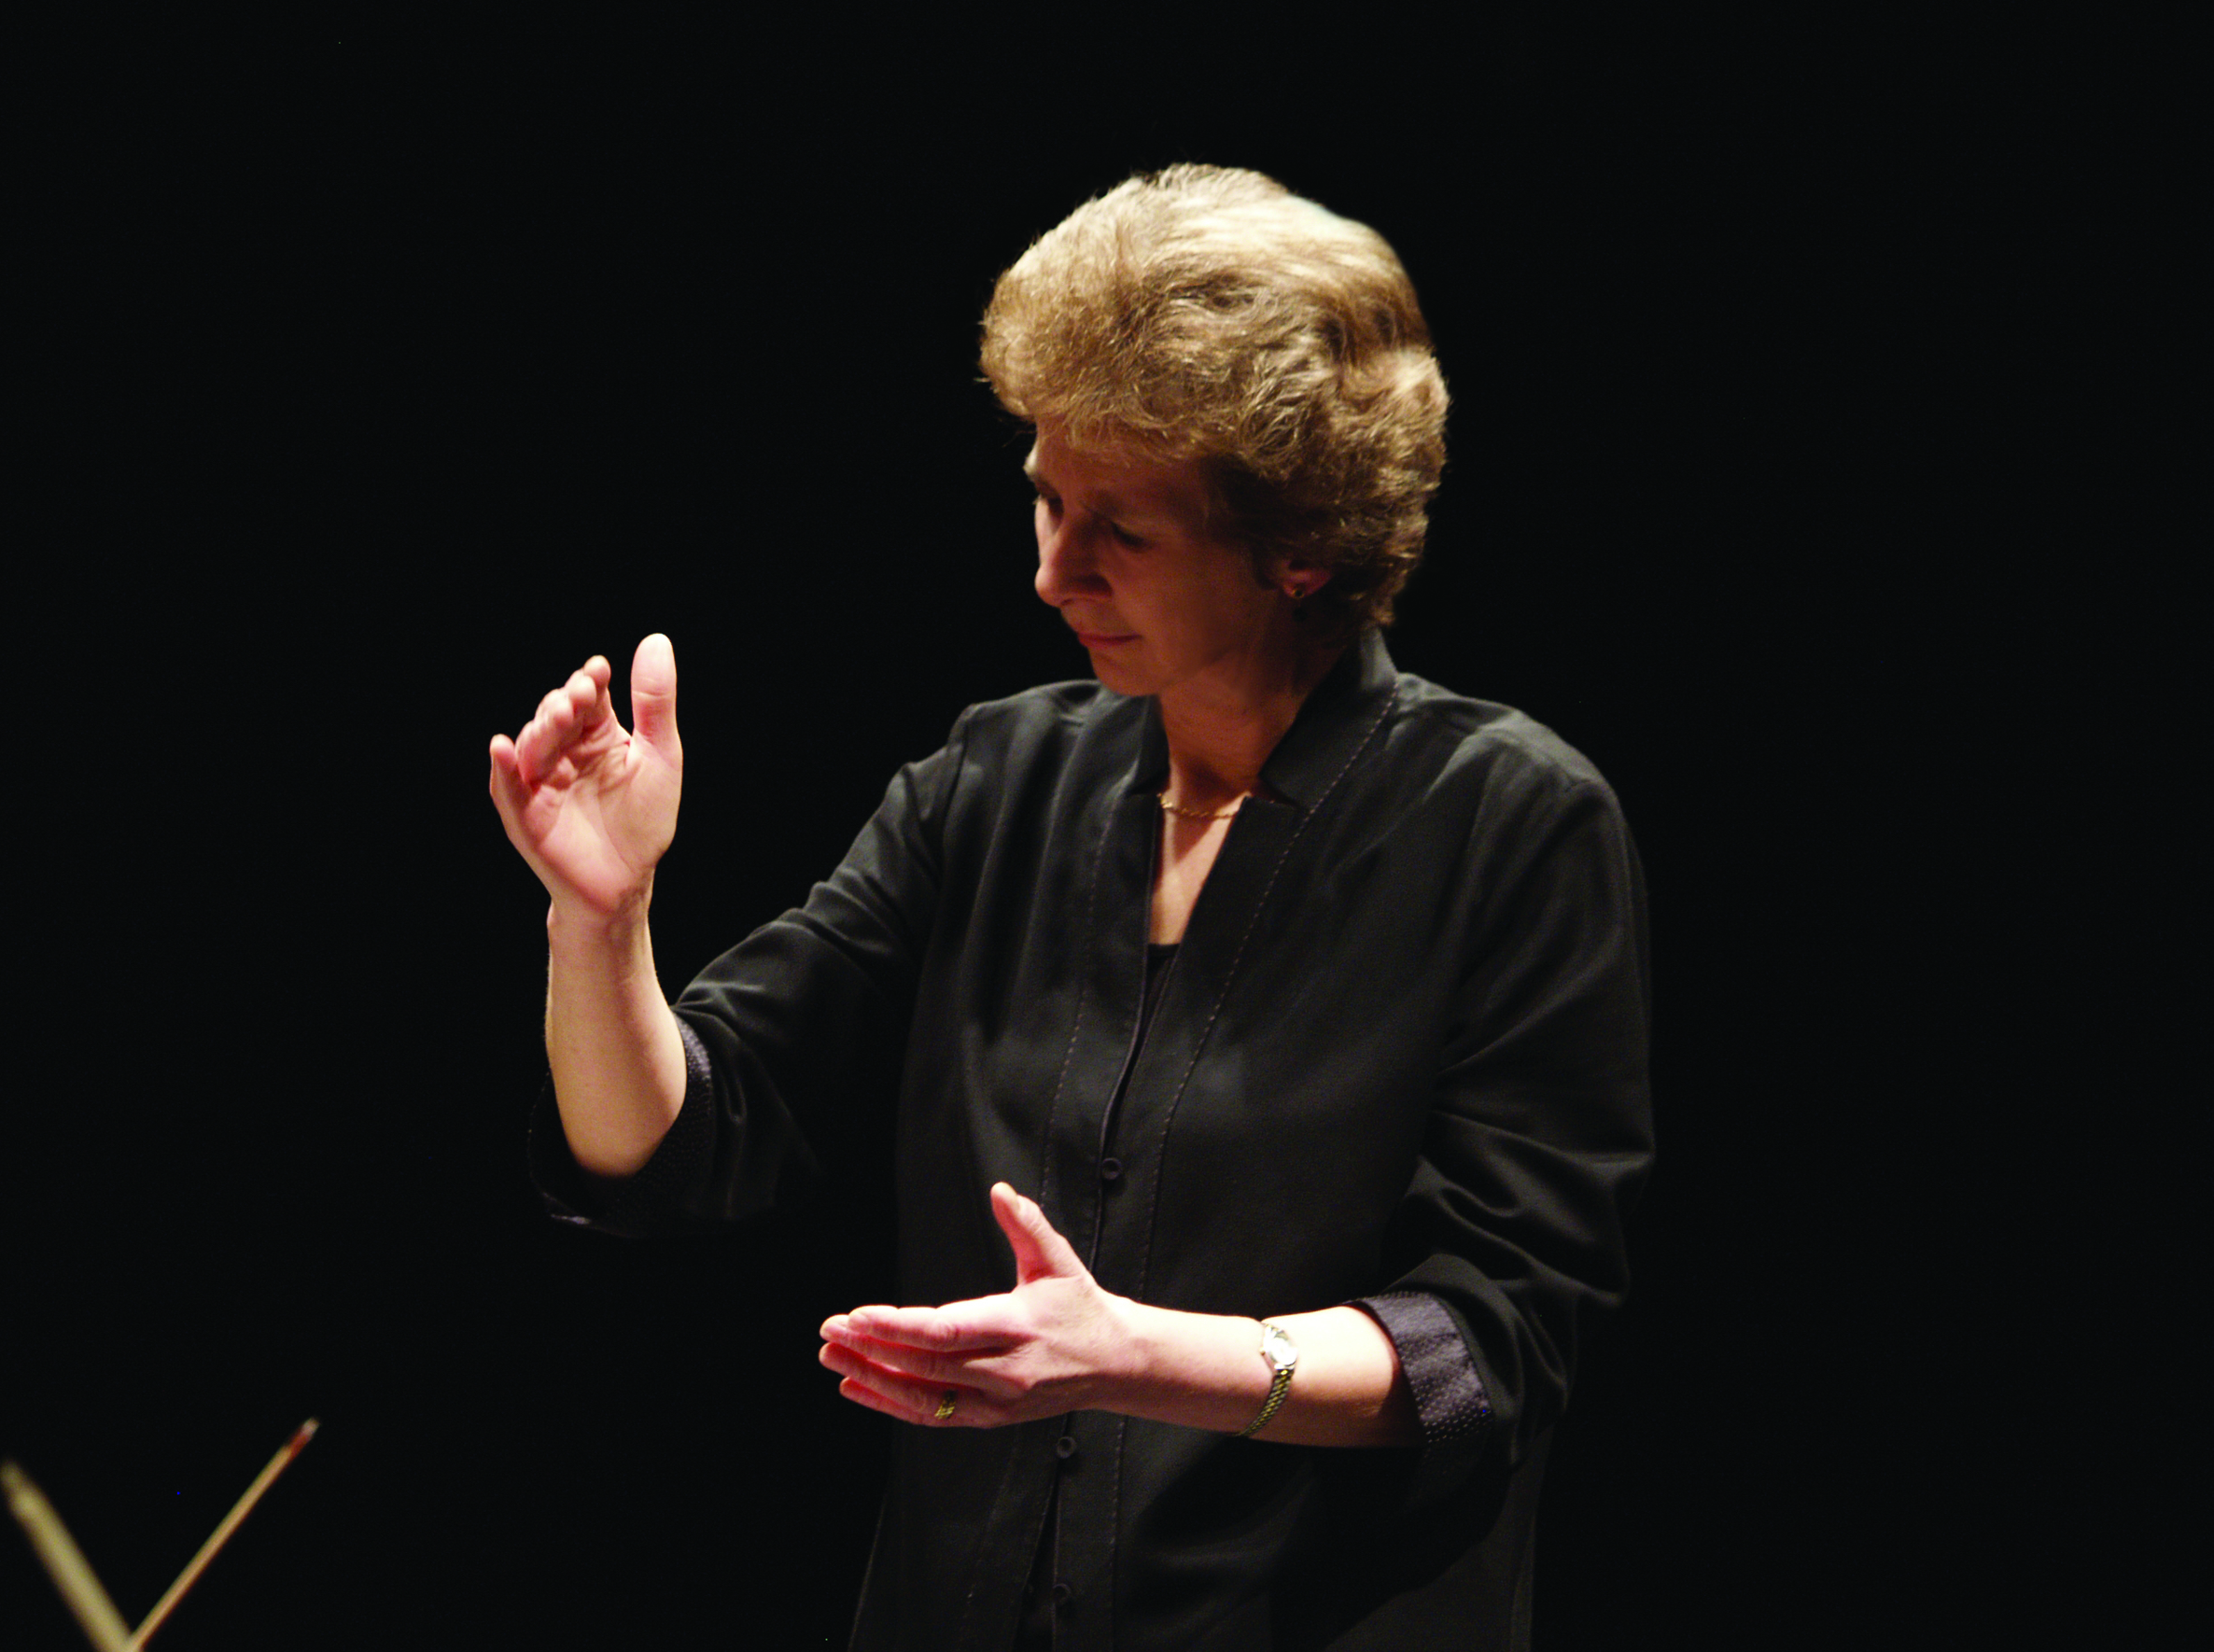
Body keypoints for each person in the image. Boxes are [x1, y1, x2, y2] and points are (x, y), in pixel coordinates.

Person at [488, 165, 1651, 1651]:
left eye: (1124, 527)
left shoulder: (1510, 824)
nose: (1050, 570)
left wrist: (1132, 1358)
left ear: (1299, 547)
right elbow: (670, 1135)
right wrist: (601, 920)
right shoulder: (994, 781)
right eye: (1044, 496)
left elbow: (1487, 1340)